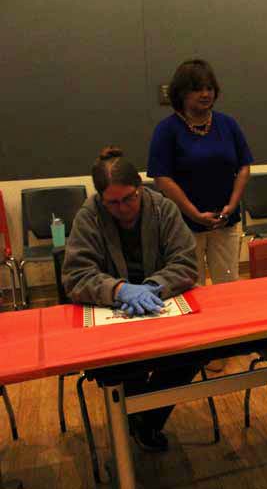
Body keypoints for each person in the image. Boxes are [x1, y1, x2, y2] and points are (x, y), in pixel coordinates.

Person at [63, 147, 200, 451]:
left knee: (193, 351)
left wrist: (153, 285)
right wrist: (119, 290)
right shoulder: (89, 215)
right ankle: (144, 422)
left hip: (159, 303)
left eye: (129, 198)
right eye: (113, 202)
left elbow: (186, 263)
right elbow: (75, 275)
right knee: (122, 363)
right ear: (100, 198)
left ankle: (143, 420)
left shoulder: (162, 208)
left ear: (140, 187)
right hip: (113, 314)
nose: (123, 208)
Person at [147, 59, 253, 287]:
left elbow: (244, 166)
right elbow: (162, 177)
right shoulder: (167, 129)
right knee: (189, 285)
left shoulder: (228, 124)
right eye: (197, 89)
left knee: (229, 283)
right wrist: (194, 213)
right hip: (183, 223)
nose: (205, 94)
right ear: (181, 93)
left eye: (209, 88)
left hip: (225, 220)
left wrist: (232, 205)